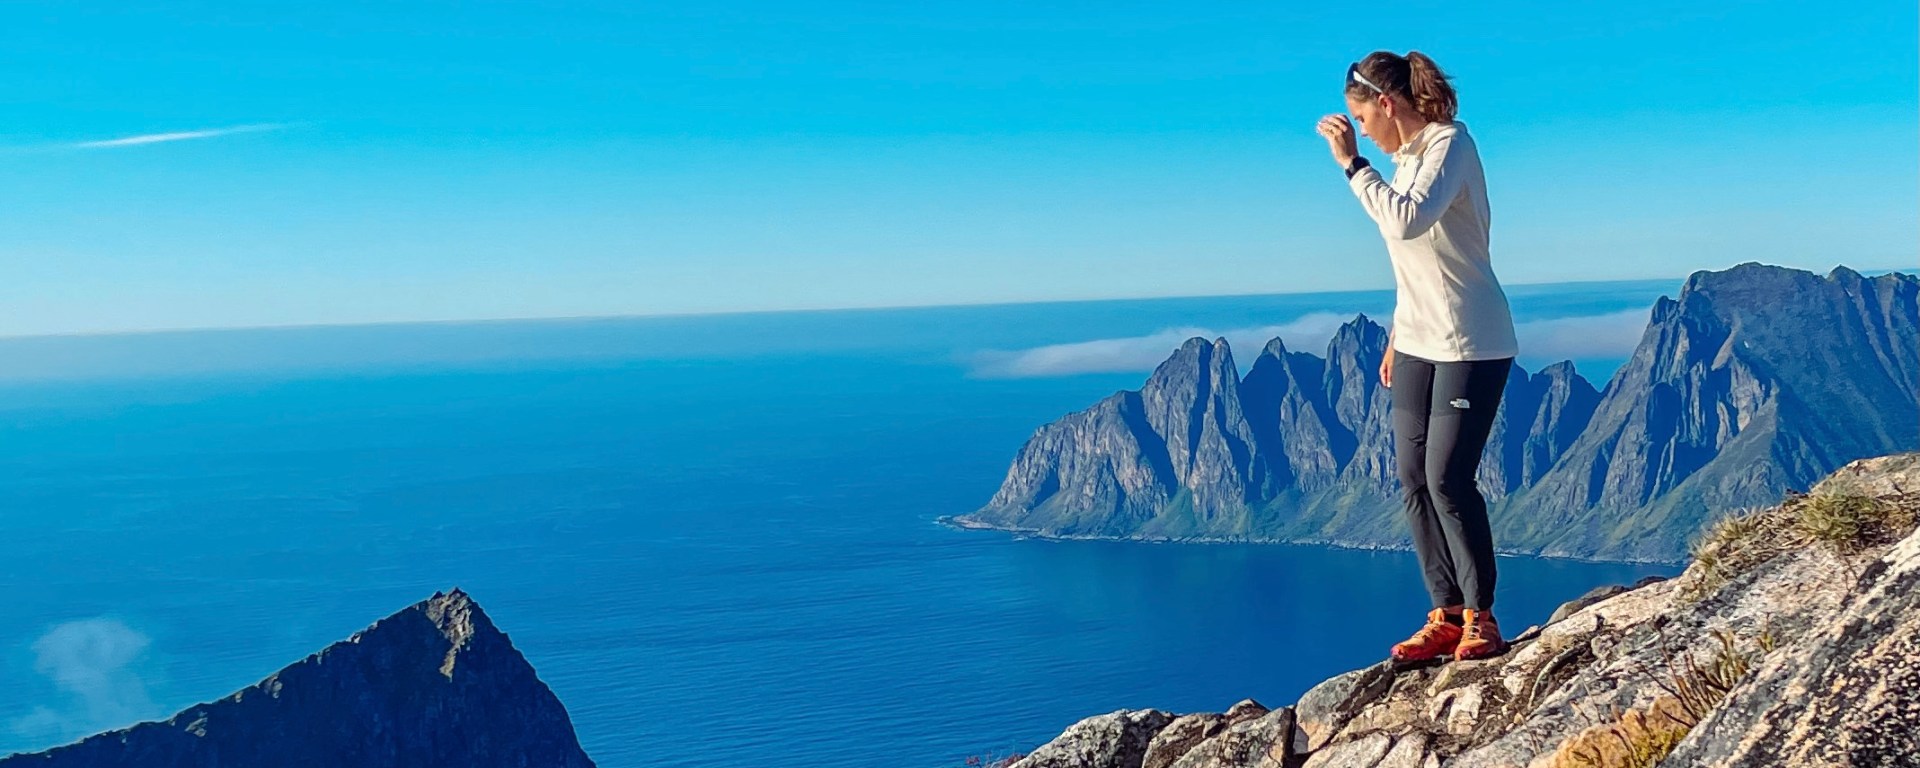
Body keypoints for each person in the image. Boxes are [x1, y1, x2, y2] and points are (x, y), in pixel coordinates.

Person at [1315, 51, 1520, 662]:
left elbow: (1407, 222)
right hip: (1416, 341)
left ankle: (1482, 616)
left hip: (1470, 341)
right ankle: (1446, 612)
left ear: (1386, 104)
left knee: (1448, 479)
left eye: (1361, 118)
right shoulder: (1405, 163)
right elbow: (1416, 266)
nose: (1361, 131)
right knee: (1412, 479)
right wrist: (1398, 334)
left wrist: (1351, 164)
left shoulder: (1450, 146)